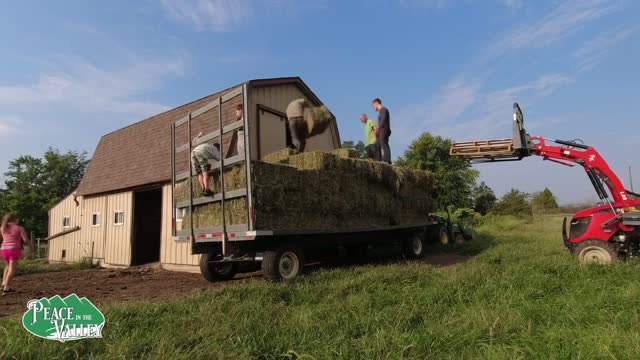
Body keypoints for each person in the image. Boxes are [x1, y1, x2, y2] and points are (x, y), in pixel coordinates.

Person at [1, 214, 33, 295]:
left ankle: (4, 283)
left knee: (7, 266)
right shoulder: (19, 228)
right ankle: (6, 287)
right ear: (15, 219)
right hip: (13, 249)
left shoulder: (3, 228)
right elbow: (25, 240)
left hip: (3, 249)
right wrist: (31, 246)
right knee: (12, 269)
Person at [191, 132, 221, 196]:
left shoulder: (208, 145)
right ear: (218, 148)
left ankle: (203, 189)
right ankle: (207, 189)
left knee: (199, 173)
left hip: (193, 153)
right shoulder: (215, 149)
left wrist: (198, 136)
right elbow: (220, 159)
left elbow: (199, 136)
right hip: (201, 153)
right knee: (205, 172)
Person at [372, 98, 392, 164]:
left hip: (383, 130)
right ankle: (378, 160)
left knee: (384, 144)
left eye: (373, 106)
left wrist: (378, 129)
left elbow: (383, 120)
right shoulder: (381, 111)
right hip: (382, 130)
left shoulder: (383, 109)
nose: (373, 107)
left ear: (376, 103)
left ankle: (387, 160)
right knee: (377, 145)